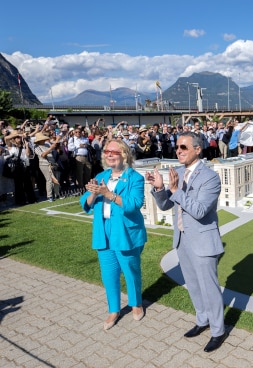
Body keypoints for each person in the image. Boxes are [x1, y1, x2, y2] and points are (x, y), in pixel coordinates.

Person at [145, 132, 227, 353]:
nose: (178, 150)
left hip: (203, 240)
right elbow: (165, 206)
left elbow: (200, 211)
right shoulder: (178, 173)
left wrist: (174, 190)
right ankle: (202, 320)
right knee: (193, 284)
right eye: (177, 147)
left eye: (183, 147)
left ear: (197, 150)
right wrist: (160, 188)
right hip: (182, 239)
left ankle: (218, 331)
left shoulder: (210, 177)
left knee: (209, 288)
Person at [80, 139, 147, 330]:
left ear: (124, 155)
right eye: (107, 151)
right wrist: (93, 193)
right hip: (104, 231)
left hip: (125, 232)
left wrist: (108, 194)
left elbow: (134, 204)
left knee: (131, 271)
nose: (109, 154)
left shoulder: (135, 178)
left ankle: (136, 304)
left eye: (114, 152)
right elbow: (85, 203)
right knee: (109, 274)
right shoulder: (101, 175)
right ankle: (114, 310)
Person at [33, 132, 60, 202]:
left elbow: (53, 151)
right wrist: (50, 148)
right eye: (42, 139)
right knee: (49, 180)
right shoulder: (36, 147)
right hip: (44, 164)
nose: (44, 140)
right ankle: (49, 196)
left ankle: (57, 194)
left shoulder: (47, 144)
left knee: (56, 179)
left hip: (52, 163)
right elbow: (43, 155)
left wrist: (57, 141)